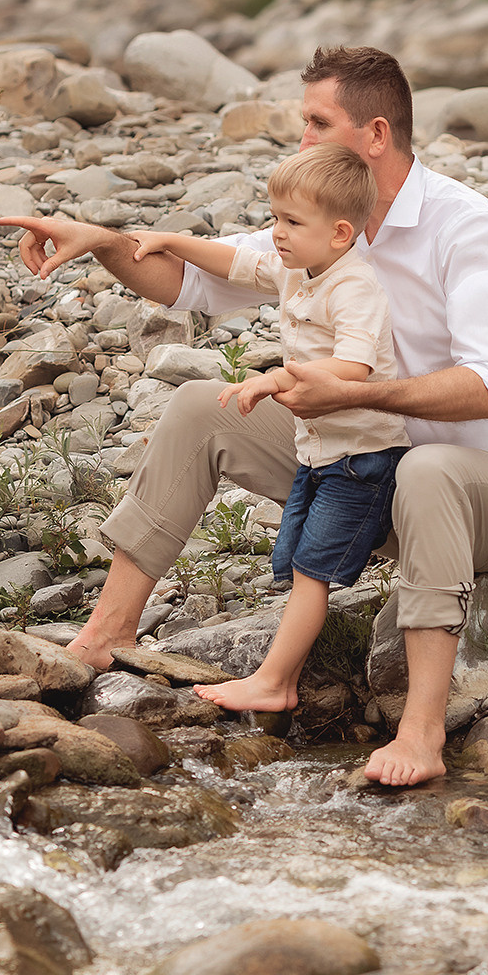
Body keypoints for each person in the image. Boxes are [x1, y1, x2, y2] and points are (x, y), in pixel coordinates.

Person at [0, 43, 488, 788]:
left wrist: (353, 394)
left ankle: (421, 734)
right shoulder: (317, 222)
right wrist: (101, 242)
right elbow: (188, 276)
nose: (302, 143)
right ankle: (105, 632)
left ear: (376, 135)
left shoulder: (467, 227)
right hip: (367, 467)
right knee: (201, 405)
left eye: (317, 124)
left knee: (427, 467)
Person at [126, 143, 407, 714]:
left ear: (339, 232)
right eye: (273, 217)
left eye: (290, 222)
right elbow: (235, 262)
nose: (275, 232)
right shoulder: (300, 267)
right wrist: (171, 241)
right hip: (319, 450)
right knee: (296, 557)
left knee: (312, 572)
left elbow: (355, 366)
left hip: (362, 456)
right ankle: (287, 667)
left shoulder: (355, 287)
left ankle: (276, 682)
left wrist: (277, 378)